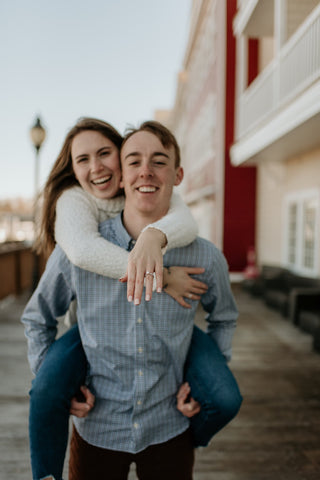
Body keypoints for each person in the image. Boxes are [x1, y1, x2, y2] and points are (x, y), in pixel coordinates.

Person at [22, 121, 242, 480]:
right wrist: (63, 384)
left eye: (159, 161)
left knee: (228, 399)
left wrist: (200, 389)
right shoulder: (79, 250)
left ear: (178, 175)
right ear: (121, 177)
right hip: (97, 429)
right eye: (135, 161)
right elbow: (37, 318)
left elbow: (224, 317)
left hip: (170, 427)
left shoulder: (205, 257)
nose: (146, 171)